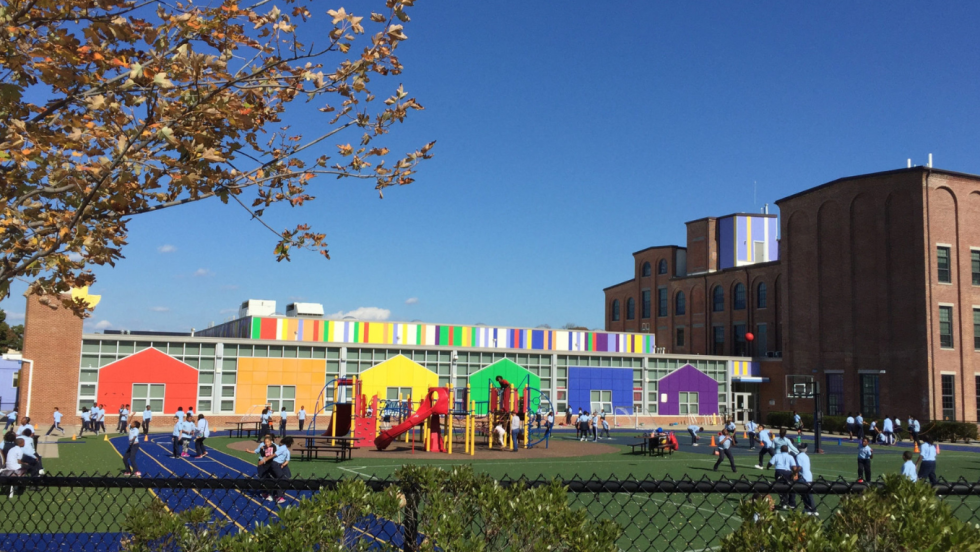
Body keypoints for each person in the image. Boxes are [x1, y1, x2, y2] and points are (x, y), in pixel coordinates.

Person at [766, 444, 797, 510]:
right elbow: (794, 467)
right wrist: (795, 474)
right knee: (791, 486)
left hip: (779, 472)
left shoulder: (777, 455)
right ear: (787, 450)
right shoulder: (790, 457)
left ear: (780, 450)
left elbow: (770, 463)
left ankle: (784, 503)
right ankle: (792, 503)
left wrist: (768, 467)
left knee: (780, 487)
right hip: (788, 472)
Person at [254, 434, 278, 501]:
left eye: (267, 442)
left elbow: (269, 455)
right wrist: (262, 450)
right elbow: (263, 454)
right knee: (263, 478)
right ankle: (265, 492)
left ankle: (271, 494)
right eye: (265, 442)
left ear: (271, 441)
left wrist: (264, 459)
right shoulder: (264, 447)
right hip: (265, 465)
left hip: (271, 465)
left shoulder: (273, 446)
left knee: (271, 478)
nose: (266, 443)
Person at [796, 443, 817, 515]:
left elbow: (799, 467)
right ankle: (809, 508)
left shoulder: (798, 456)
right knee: (806, 493)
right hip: (808, 476)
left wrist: (794, 473)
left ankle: (812, 509)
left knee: (806, 493)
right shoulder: (806, 456)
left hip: (803, 476)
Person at [271, 436, 293, 505]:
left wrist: (283, 465)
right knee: (281, 479)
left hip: (279, 464)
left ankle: (274, 494)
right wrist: (266, 459)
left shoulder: (286, 450)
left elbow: (287, 460)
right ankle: (279, 497)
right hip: (276, 464)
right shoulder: (283, 448)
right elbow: (275, 454)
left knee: (279, 478)